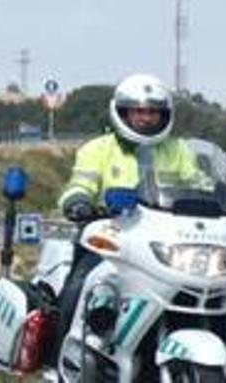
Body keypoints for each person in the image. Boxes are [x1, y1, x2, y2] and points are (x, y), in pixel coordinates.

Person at [50, 73, 198, 365]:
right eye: (138, 111)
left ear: (164, 114)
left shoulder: (179, 150)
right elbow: (79, 185)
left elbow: (201, 185)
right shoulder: (98, 149)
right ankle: (60, 360)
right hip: (110, 241)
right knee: (79, 285)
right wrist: (79, 202)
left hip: (166, 245)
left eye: (152, 111)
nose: (145, 117)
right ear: (123, 112)